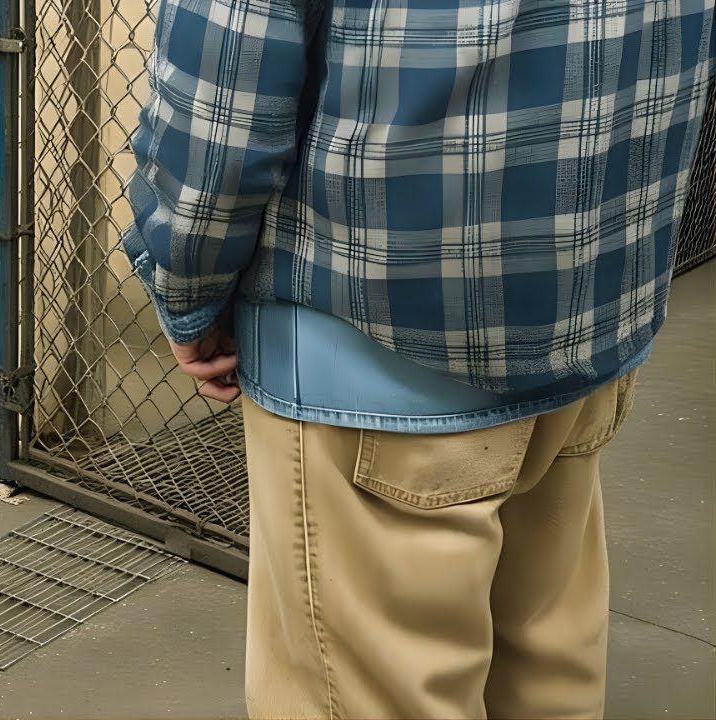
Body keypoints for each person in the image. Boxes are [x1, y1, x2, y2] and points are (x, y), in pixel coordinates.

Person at [120, 0, 714, 717]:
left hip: (375, 349)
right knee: (550, 670)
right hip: (590, 311)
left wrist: (187, 288)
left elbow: (220, 98)